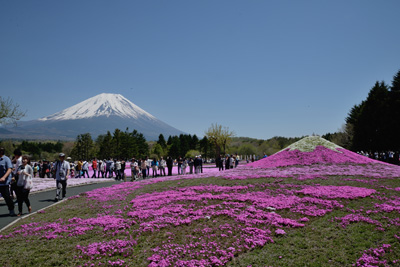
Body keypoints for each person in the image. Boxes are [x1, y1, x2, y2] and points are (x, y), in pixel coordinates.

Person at [0, 147, 16, 216]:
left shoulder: (6, 159)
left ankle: (11, 209)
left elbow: (9, 169)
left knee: (6, 197)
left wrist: (4, 177)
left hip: (4, 182)